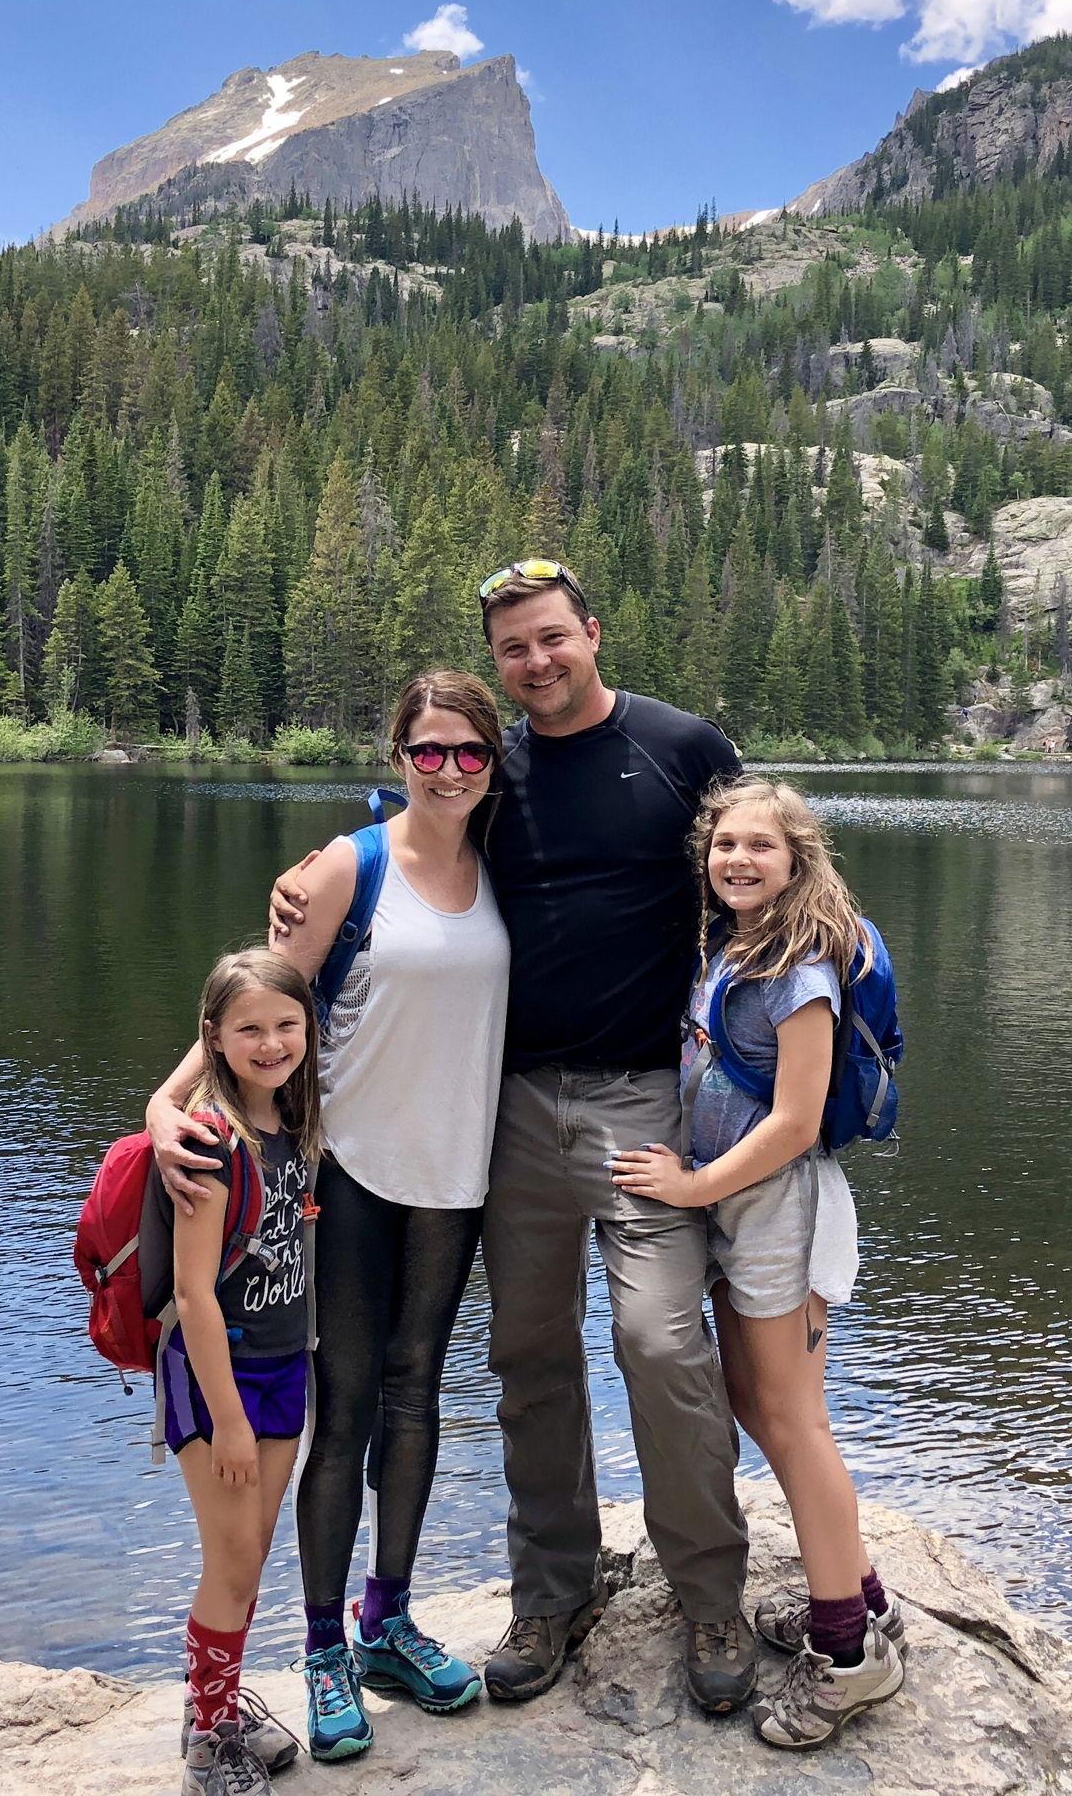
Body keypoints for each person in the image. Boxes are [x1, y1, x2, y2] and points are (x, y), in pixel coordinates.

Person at [229, 562, 757, 1715]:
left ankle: (710, 1596)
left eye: (551, 637)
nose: (536, 660)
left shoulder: (682, 748)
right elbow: (411, 836)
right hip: (508, 1106)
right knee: (526, 1352)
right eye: (513, 647)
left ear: (592, 632)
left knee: (661, 1339)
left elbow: (767, 864)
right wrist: (312, 873)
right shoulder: (492, 768)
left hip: (642, 1103)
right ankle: (551, 1591)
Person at [146, 673, 510, 1764]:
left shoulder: (505, 860)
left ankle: (385, 1620)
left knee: (416, 1395)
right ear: (397, 754)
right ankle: (319, 1650)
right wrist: (166, 1104)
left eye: (469, 751)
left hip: (456, 1170)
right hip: (347, 1166)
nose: (448, 769)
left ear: (493, 760)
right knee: (345, 1408)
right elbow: (261, 998)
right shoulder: (350, 866)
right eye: (427, 749)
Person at [609, 777, 905, 1751]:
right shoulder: (733, 944)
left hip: (778, 1206)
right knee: (757, 1402)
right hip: (737, 1204)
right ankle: (861, 1597)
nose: (738, 859)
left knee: (793, 1419)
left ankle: (847, 1654)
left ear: (796, 859)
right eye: (724, 844)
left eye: (760, 846)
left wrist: (691, 1186)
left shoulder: (800, 965)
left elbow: (794, 1121)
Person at [165, 950, 320, 1796]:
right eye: (249, 1029)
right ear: (214, 1038)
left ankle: (218, 1708)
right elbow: (193, 1293)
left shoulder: (290, 1121)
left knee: (249, 1556)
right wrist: (226, 1417)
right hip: (217, 1380)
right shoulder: (210, 1142)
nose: (271, 1044)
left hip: (282, 1367)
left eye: (286, 1025)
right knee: (229, 1560)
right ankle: (206, 1741)